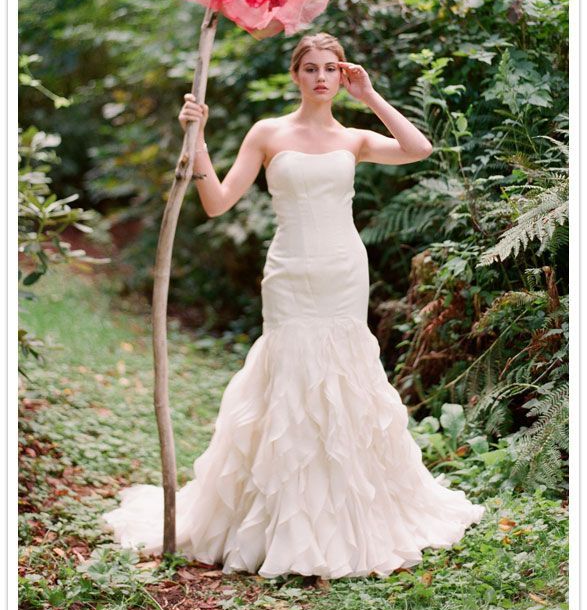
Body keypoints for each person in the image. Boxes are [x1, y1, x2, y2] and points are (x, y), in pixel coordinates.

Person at [101, 32, 485, 579]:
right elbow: (216, 202)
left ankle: (349, 512)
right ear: (296, 74)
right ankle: (280, 515)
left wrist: (371, 96)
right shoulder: (267, 133)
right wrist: (198, 139)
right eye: (311, 68)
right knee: (288, 379)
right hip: (288, 274)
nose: (322, 77)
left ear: (341, 75)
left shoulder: (353, 137)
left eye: (331, 68)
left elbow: (419, 149)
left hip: (342, 272)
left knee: (344, 377)